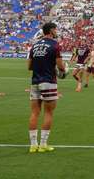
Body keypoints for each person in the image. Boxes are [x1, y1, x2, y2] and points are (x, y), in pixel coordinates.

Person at [28, 21, 66, 153]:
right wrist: (61, 71)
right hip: (48, 81)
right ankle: (43, 144)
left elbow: (29, 67)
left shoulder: (35, 45)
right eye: (55, 29)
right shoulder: (54, 45)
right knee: (48, 112)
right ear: (50, 31)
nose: (56, 31)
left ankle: (33, 145)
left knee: (34, 113)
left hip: (35, 81)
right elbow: (61, 66)